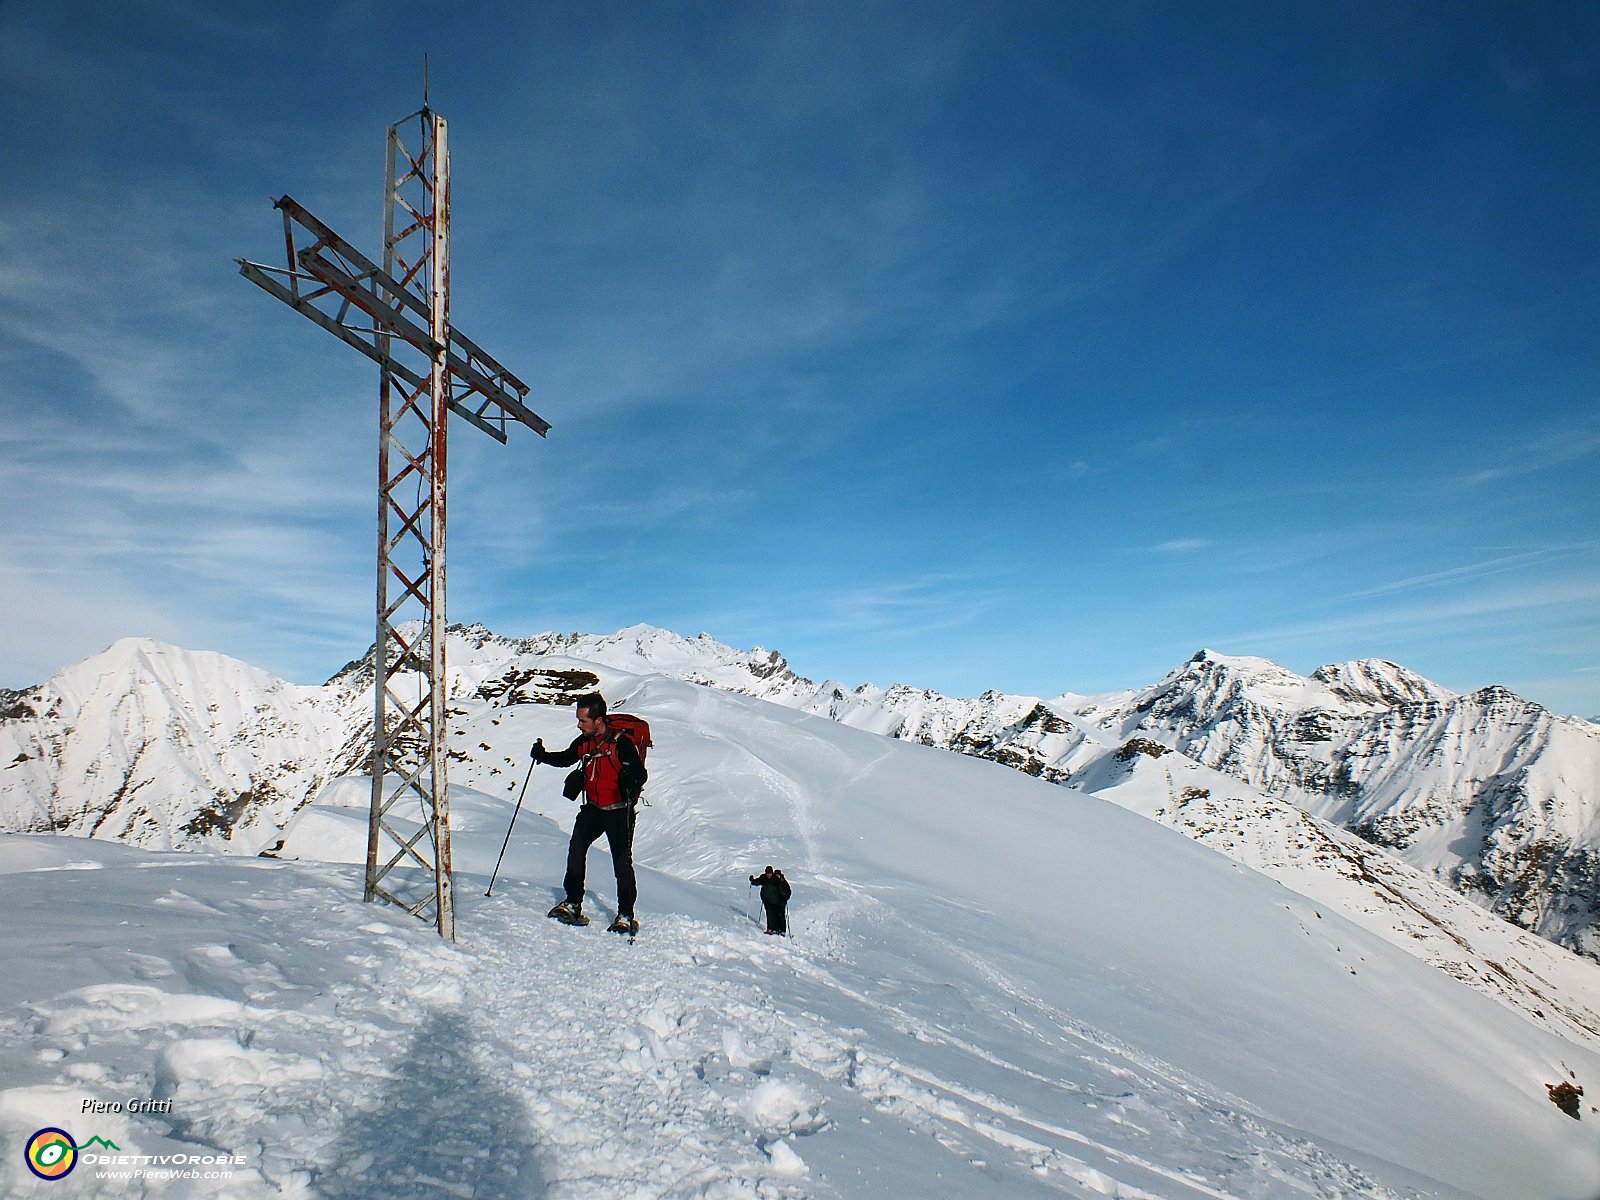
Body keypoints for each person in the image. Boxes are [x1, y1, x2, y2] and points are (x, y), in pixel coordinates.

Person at [531, 693, 647, 934]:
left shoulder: (621, 743)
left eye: (583, 720)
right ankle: (573, 902)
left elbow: (640, 774)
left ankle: (625, 914)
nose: (579, 725)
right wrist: (543, 756)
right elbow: (566, 758)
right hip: (593, 809)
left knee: (622, 864)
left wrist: (629, 777)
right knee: (576, 850)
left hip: (619, 811)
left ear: (598, 720)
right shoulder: (584, 742)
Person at [749, 865, 791, 936]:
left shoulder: (778, 880)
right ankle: (770, 929)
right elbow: (758, 882)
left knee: (779, 915)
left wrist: (784, 898)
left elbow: (784, 890)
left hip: (777, 901)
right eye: (768, 873)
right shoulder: (764, 878)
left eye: (770, 873)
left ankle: (781, 930)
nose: (769, 875)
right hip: (767, 900)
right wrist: (752, 881)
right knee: (769, 914)